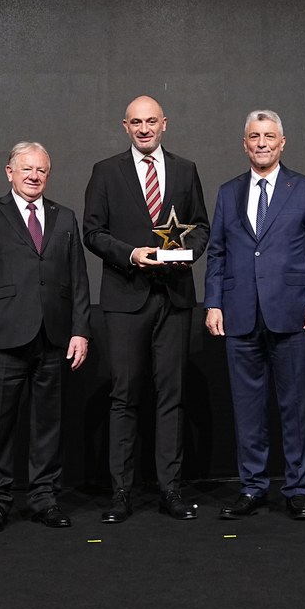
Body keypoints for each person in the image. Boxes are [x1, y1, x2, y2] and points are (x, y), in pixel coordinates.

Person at [83, 95, 210, 522]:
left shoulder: (186, 170)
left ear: (164, 124)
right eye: (136, 122)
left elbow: (201, 227)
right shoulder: (105, 171)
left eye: (151, 121)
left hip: (174, 298)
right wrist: (130, 254)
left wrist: (186, 255)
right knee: (124, 396)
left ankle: (170, 490)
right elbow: (92, 232)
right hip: (125, 299)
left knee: (172, 397)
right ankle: (121, 492)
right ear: (125, 126)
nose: (144, 129)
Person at [204, 110, 305, 521]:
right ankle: (253, 487)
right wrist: (213, 303)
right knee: (247, 410)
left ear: (282, 143)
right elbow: (217, 253)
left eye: (269, 136)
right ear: (244, 143)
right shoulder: (228, 192)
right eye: (255, 136)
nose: (262, 143)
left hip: (293, 315)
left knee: (295, 408)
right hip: (240, 315)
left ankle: (296, 490)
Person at [0, 142, 91, 533]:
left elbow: (78, 280)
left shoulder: (64, 217)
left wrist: (80, 330)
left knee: (48, 424)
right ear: (9, 172)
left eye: (41, 170)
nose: (34, 176)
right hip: (3, 339)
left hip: (53, 338)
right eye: (27, 169)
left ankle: (44, 499)